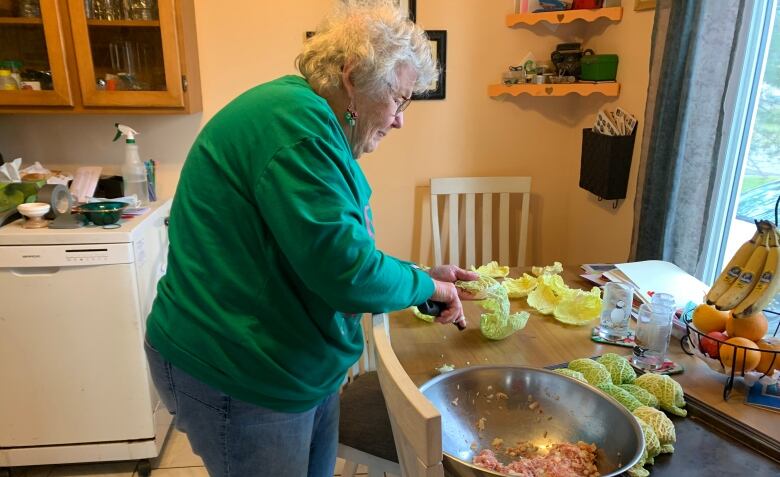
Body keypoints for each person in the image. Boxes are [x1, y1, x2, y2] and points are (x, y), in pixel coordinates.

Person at [143, 2, 478, 476]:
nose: (401, 119)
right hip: (240, 370)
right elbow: (347, 273)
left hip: (291, 367)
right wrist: (431, 288)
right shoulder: (296, 131)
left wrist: (419, 276)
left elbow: (335, 251)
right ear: (353, 76)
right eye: (399, 99)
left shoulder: (310, 124)